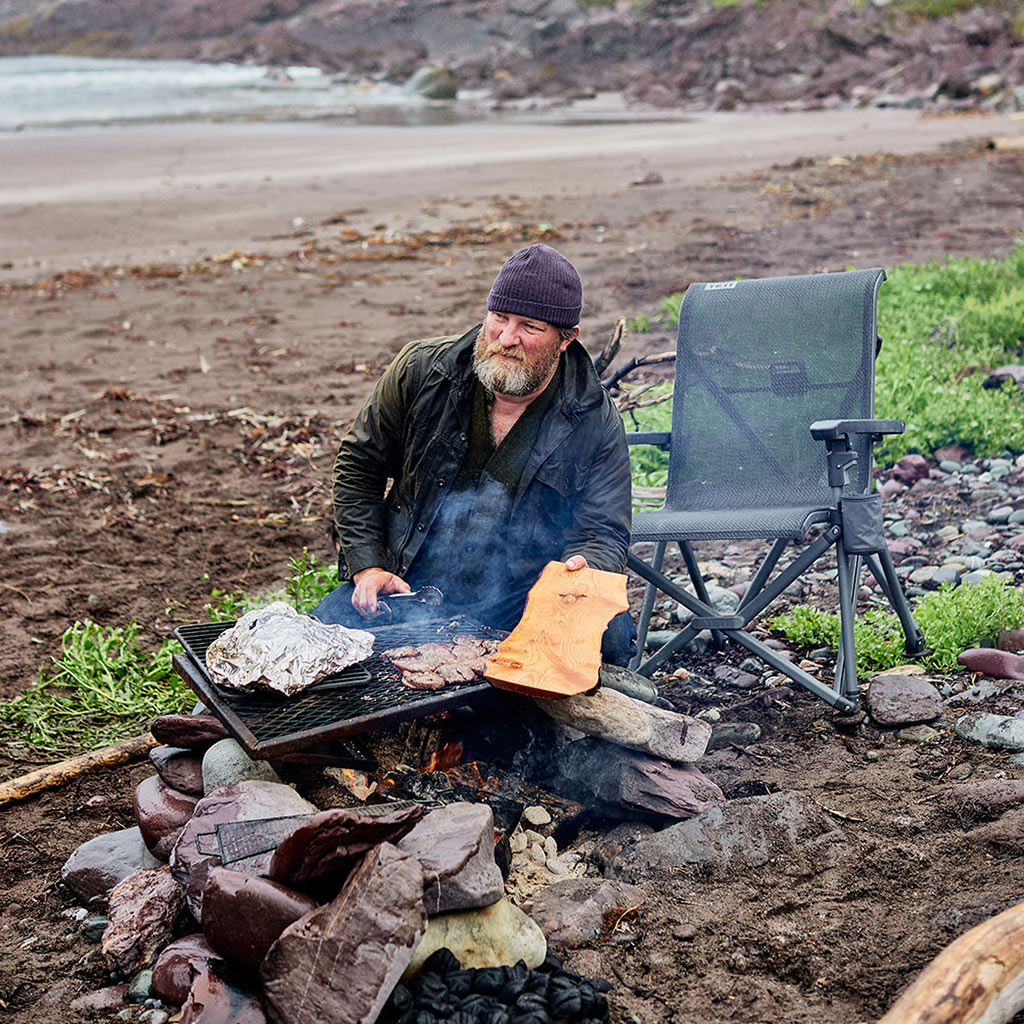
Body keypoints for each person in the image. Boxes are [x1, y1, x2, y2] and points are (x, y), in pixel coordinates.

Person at [311, 243, 635, 665]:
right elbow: (358, 467)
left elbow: (605, 531)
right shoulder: (422, 370)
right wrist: (368, 566)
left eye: (529, 327)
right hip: (409, 587)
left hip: (523, 597)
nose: (505, 338)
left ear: (565, 339)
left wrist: (582, 568)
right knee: (321, 635)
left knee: (609, 636)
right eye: (499, 318)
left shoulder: (593, 417)